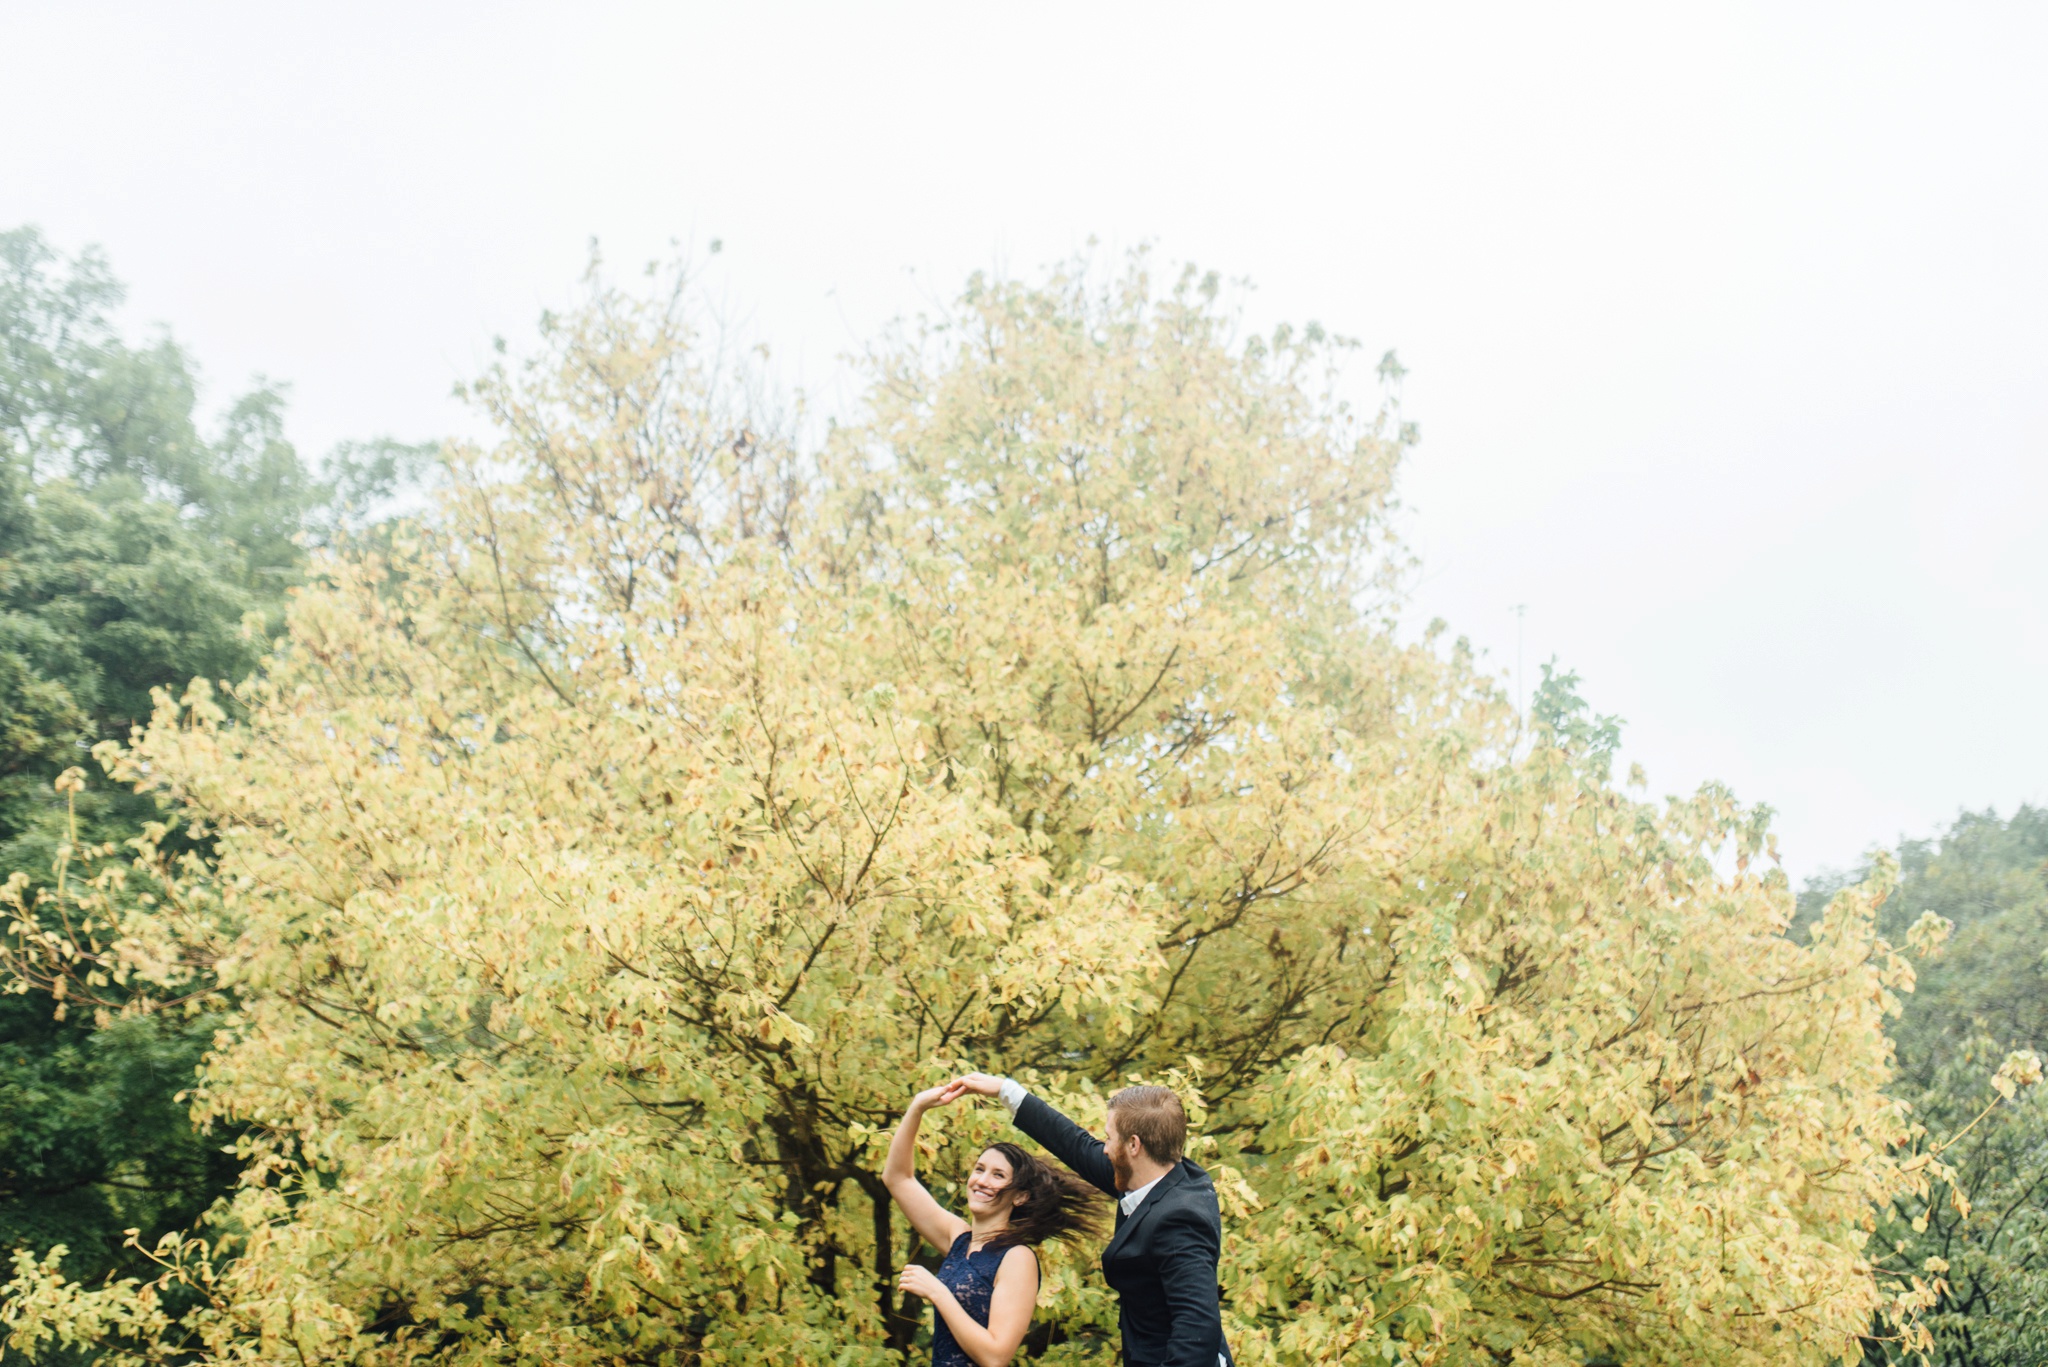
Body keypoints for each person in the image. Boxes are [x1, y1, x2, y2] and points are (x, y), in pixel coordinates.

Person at [946, 1073, 1234, 1367]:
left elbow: (1197, 1328)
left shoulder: (1179, 1221)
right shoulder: (1160, 1174)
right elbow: (1077, 1146)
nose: (1105, 1148)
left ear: (1134, 1145)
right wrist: (1007, 1091)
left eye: (1109, 1138)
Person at [884, 1083, 1106, 1367]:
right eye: (979, 1169)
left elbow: (996, 1356)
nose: (982, 1181)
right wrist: (917, 1107)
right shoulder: (959, 1239)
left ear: (1020, 1196)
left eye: (998, 1175)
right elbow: (898, 1178)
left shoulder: (1017, 1258)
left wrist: (938, 1293)